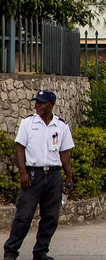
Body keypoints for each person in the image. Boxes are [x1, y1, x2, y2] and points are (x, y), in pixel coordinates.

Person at [4, 90, 74, 260]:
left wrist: (69, 177)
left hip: (53, 175)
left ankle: (41, 252)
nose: (37, 105)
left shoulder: (61, 125)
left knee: (50, 217)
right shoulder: (28, 123)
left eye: (42, 103)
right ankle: (10, 253)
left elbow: (64, 153)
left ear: (52, 105)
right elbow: (19, 149)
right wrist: (23, 173)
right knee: (23, 216)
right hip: (33, 174)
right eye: (37, 102)